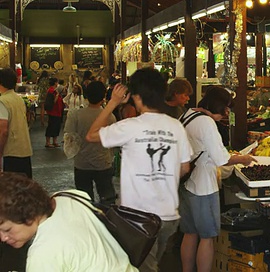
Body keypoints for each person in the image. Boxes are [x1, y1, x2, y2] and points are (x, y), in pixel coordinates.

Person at [86, 67, 193, 272]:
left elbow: (92, 135)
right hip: (169, 216)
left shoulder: (130, 126)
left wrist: (113, 103)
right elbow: (185, 167)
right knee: (151, 265)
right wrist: (162, 177)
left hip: (138, 219)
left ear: (136, 96)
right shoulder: (176, 126)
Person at [179, 87, 256, 272]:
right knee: (207, 237)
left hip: (186, 183)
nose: (227, 113)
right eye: (226, 108)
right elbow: (221, 159)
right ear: (218, 105)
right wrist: (243, 158)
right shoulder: (206, 123)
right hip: (204, 186)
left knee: (189, 233)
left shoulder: (188, 115)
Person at [0, 172, 136, 271]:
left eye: (7, 229)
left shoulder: (43, 254)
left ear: (28, 214)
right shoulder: (69, 197)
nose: (3, 237)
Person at [65, 81, 117, 204]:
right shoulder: (110, 117)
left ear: (86, 96)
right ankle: (107, 221)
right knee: (107, 199)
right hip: (103, 162)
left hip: (82, 163)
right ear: (103, 97)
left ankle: (87, 221)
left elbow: (69, 137)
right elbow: (113, 141)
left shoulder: (75, 115)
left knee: (85, 200)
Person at [0, 68, 34, 177]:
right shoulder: (18, 99)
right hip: (24, 148)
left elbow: (3, 131)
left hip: (11, 151)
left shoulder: (3, 101)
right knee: (24, 186)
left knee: (12, 188)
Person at [45, 77, 64, 148]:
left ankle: (54, 141)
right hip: (53, 112)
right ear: (55, 83)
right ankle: (48, 142)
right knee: (51, 126)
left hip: (57, 111)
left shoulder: (54, 90)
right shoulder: (51, 91)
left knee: (56, 126)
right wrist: (57, 95)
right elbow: (53, 101)